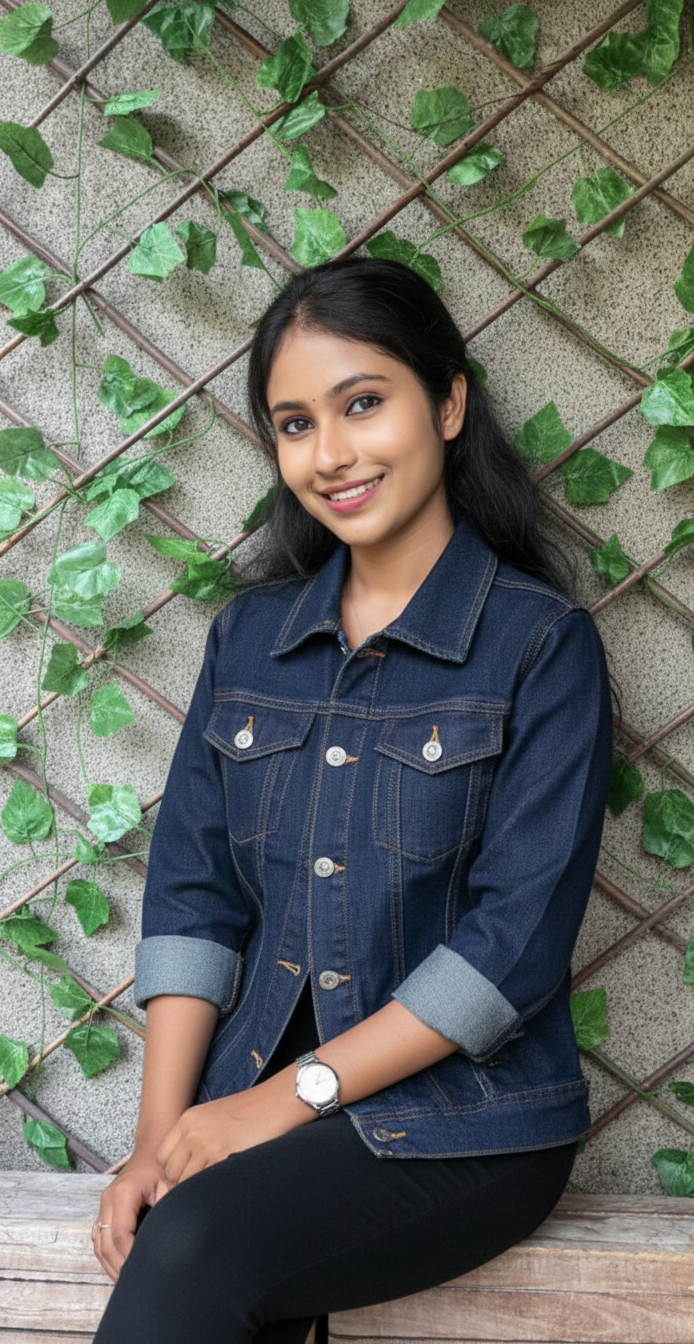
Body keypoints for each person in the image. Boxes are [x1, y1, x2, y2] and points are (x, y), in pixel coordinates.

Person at [91, 257, 613, 1344]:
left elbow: (511, 947)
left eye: (361, 403)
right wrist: (158, 1142)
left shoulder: (538, 647)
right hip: (251, 1102)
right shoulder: (248, 641)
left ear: (450, 401)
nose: (329, 454)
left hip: (469, 1126)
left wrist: (286, 1100)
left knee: (198, 1246)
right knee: (184, 1223)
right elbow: (192, 902)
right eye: (293, 423)